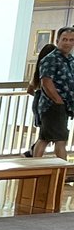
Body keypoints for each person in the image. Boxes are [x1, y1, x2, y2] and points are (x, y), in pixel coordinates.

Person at [24, 27, 74, 163]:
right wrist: (57, 100)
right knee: (60, 140)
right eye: (64, 39)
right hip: (53, 106)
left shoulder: (70, 59)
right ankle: (60, 171)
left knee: (45, 138)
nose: (68, 43)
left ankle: (35, 168)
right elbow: (46, 81)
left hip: (63, 106)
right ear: (58, 40)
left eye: (71, 40)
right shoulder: (51, 59)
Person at [22, 43, 57, 157]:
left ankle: (33, 151)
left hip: (38, 102)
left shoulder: (38, 71)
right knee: (47, 134)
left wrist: (38, 95)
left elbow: (30, 89)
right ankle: (34, 153)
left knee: (45, 131)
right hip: (49, 104)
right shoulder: (51, 70)